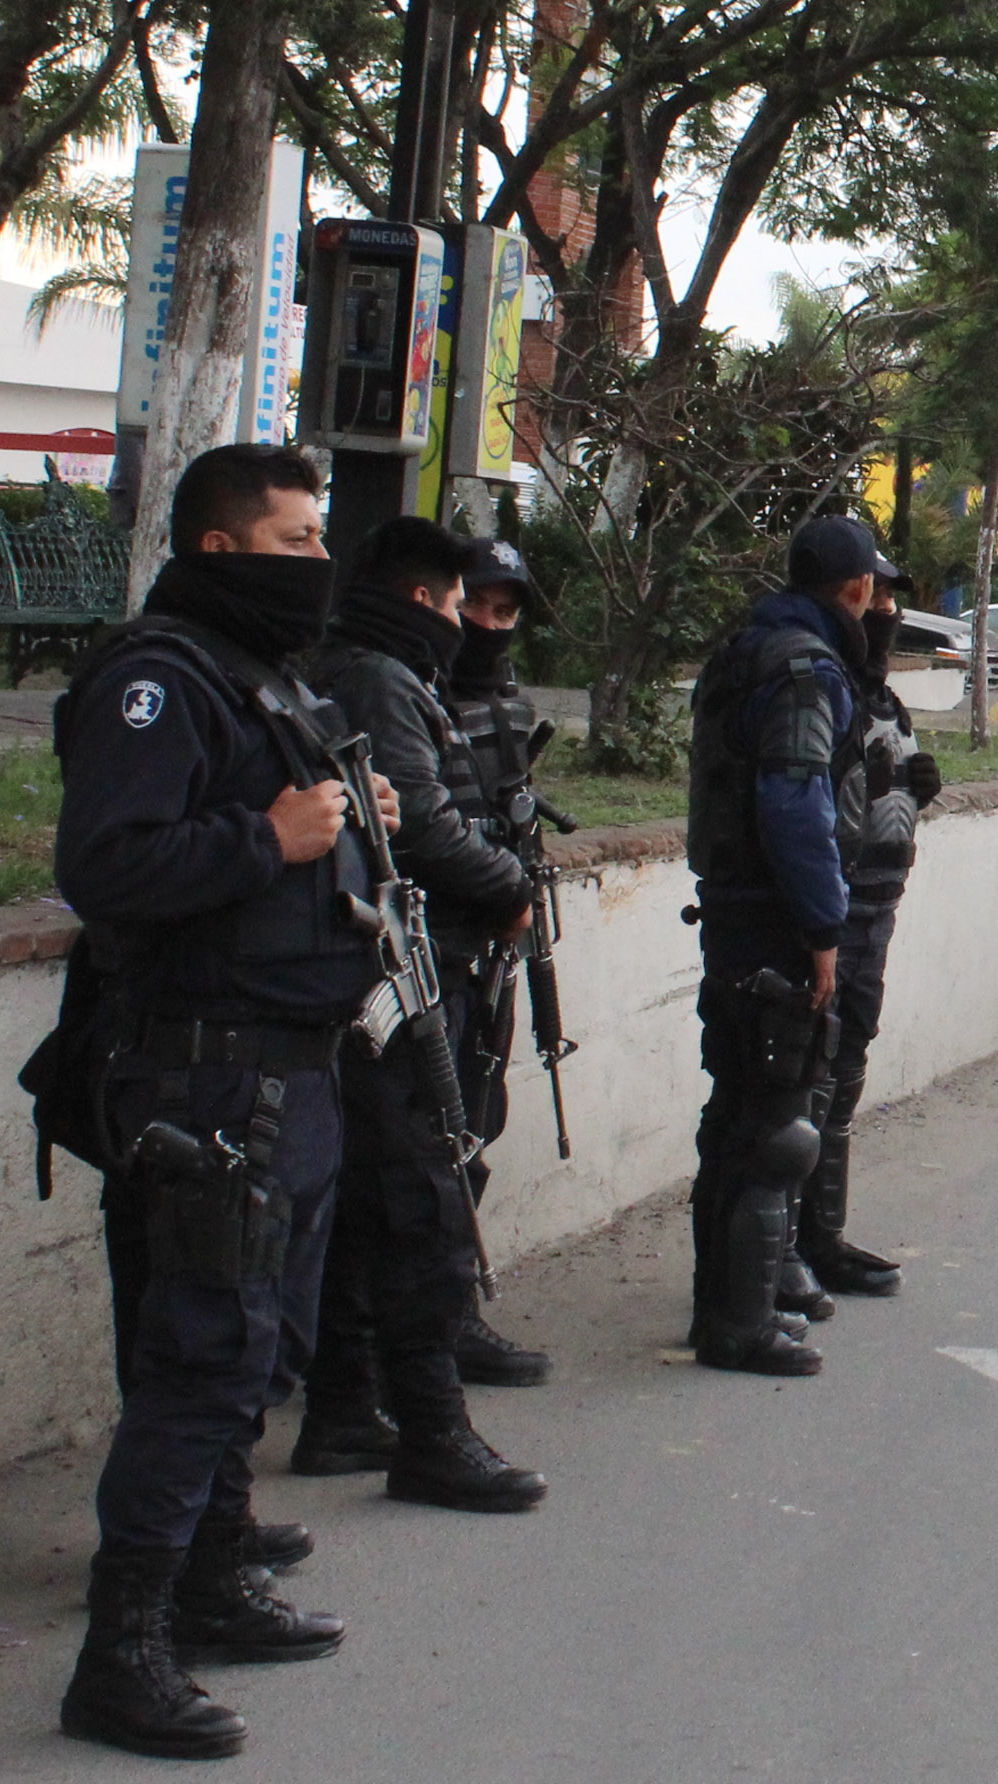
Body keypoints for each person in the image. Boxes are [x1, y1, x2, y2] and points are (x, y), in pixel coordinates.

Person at [51, 445, 387, 1758]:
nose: (320, 561)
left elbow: (288, 823)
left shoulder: (260, 679)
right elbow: (110, 864)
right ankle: (119, 1653)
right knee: (201, 1358)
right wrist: (277, 840)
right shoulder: (157, 680)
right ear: (217, 549)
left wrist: (351, 822)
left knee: (257, 1348)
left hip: (286, 1063)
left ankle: (211, 1571)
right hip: (210, 1069)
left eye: (319, 537)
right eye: (295, 540)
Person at [295, 518, 546, 1514]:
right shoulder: (384, 680)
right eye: (454, 603)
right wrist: (509, 881)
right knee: (419, 1204)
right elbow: (429, 836)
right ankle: (427, 1426)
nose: (466, 622)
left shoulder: (387, 674)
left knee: (383, 1204)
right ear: (417, 599)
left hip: (398, 969)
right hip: (394, 975)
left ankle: (350, 1405)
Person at [683, 517, 884, 1376]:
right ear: (854, 589)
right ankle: (740, 1324)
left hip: (732, 906)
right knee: (774, 1126)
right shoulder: (807, 670)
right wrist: (821, 928)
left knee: (736, 1118)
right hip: (773, 916)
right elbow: (795, 802)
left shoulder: (747, 649)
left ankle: (725, 1309)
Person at [787, 557, 943, 1303]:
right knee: (805, 1076)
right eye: (872, 595)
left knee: (846, 1072)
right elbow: (805, 805)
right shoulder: (819, 685)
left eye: (890, 598)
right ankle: (782, 1249)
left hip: (877, 903)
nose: (883, 609)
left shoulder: (883, 698)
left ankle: (823, 1236)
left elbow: (873, 803)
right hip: (831, 907)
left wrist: (913, 800)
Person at [439, 536, 557, 1387]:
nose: (487, 625)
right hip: (433, 948)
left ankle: (448, 1310)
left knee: (479, 1120)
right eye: (475, 606)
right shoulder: (412, 698)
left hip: (495, 950)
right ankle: (427, 1317)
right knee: (429, 1137)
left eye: (504, 613)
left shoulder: (509, 706)